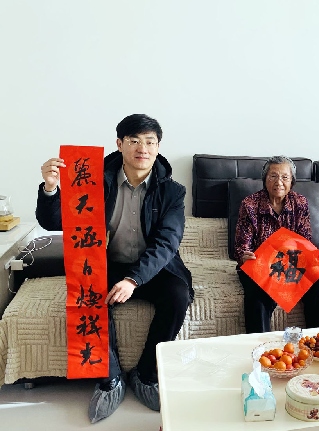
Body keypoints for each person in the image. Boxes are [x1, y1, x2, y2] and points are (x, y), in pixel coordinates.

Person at [37, 114, 193, 422]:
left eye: (150, 142)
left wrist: (133, 279)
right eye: (134, 141)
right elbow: (55, 222)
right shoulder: (94, 180)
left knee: (178, 296)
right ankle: (110, 379)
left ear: (158, 147)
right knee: (87, 296)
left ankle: (146, 374)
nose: (142, 149)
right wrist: (51, 188)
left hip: (151, 268)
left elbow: (167, 242)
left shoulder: (172, 191)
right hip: (105, 265)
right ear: (120, 144)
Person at [234, 156, 319, 333]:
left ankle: (317, 342)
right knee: (258, 297)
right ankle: (260, 345)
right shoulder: (249, 204)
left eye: (285, 177)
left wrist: (316, 254)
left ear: (292, 181)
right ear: (265, 179)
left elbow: (304, 240)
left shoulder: (300, 202)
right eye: (273, 176)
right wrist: (244, 255)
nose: (279, 182)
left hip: (291, 264)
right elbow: (242, 246)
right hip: (260, 266)